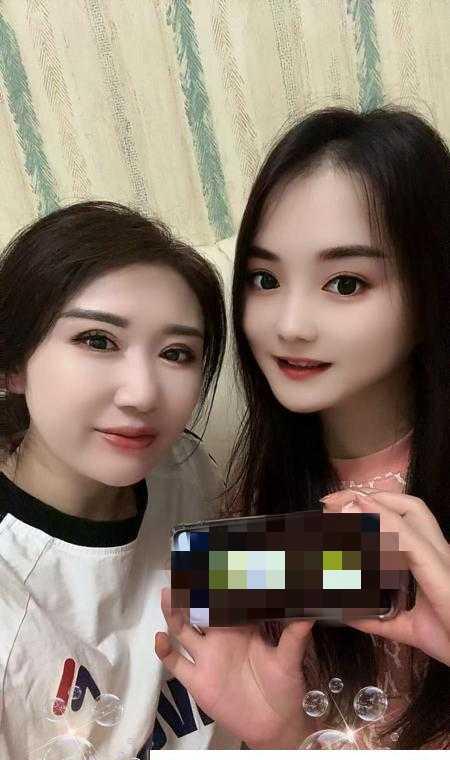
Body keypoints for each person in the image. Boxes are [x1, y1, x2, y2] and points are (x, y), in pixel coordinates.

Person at [155, 107, 450, 750]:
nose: (289, 325)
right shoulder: (256, 490)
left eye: (345, 283)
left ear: (433, 287)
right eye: (264, 279)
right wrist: (277, 736)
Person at [0, 200, 241, 758]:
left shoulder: (180, 466)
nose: (143, 395)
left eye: (176, 353)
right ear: (12, 365)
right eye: (98, 341)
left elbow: (237, 582)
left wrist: (382, 564)